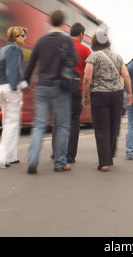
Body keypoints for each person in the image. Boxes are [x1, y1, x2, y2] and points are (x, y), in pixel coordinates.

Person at [25, 10, 78, 174]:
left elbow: (31, 63)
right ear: (63, 23)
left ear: (50, 22)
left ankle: (33, 159)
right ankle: (60, 163)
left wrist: (26, 82)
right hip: (60, 88)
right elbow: (75, 61)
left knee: (39, 125)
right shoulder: (66, 40)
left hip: (42, 87)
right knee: (62, 126)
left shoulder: (41, 41)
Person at [82, 27, 133, 172]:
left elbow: (87, 78)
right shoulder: (118, 57)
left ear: (94, 43)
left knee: (102, 128)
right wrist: (129, 93)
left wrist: (85, 95)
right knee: (113, 125)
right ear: (107, 42)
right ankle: (110, 154)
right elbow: (126, 76)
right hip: (116, 95)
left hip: (99, 94)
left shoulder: (93, 57)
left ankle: (104, 162)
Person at [0, 26, 28, 168]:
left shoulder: (3, 49)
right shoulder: (14, 49)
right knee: (12, 123)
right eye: (22, 35)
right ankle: (3, 158)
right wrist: (16, 87)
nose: (25, 38)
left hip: (1, 88)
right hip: (10, 88)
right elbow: (13, 69)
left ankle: (11, 156)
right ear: (15, 37)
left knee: (7, 122)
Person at [67, 23, 91, 163]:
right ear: (81, 34)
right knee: (74, 121)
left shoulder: (62, 46)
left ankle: (56, 151)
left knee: (60, 120)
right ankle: (70, 155)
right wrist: (85, 95)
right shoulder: (85, 50)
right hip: (77, 89)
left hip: (61, 88)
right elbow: (88, 74)